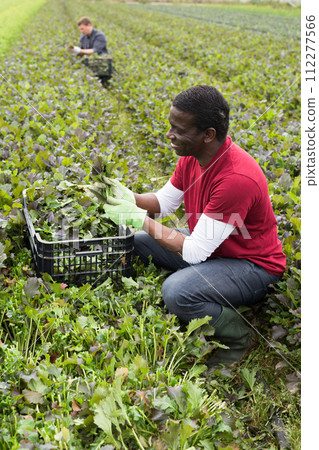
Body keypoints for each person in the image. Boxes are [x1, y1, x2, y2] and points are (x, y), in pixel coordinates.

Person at [103, 85, 286, 368]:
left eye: (179, 129)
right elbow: (165, 203)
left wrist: (138, 217)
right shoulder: (192, 156)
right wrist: (128, 197)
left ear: (208, 135)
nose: (169, 135)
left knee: (177, 292)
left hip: (252, 266)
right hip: (214, 245)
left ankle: (239, 336)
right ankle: (207, 284)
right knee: (139, 240)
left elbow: (195, 252)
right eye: (170, 126)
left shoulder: (236, 178)